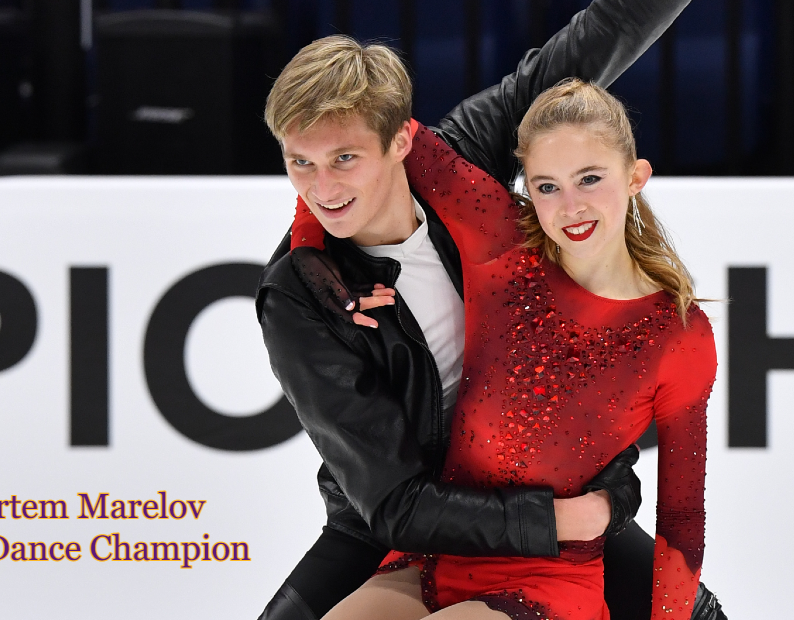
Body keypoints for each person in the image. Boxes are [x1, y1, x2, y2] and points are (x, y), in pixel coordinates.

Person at [253, 3, 725, 619]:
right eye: (300, 164)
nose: (322, 190)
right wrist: (560, 519)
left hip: (543, 498)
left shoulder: (461, 177)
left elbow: (594, 40)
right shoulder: (303, 292)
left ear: (403, 140)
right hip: (407, 522)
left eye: (344, 159)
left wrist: (599, 494)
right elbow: (393, 506)